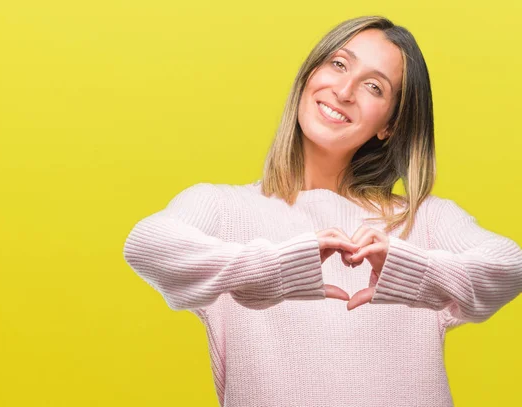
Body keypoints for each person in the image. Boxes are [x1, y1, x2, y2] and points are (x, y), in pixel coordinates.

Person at [122, 15, 522, 407]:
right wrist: (274, 269)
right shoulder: (224, 208)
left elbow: (509, 265)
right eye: (338, 63)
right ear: (309, 74)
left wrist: (414, 271)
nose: (344, 90)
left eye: (373, 87)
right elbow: (147, 246)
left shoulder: (422, 219)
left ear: (390, 125)